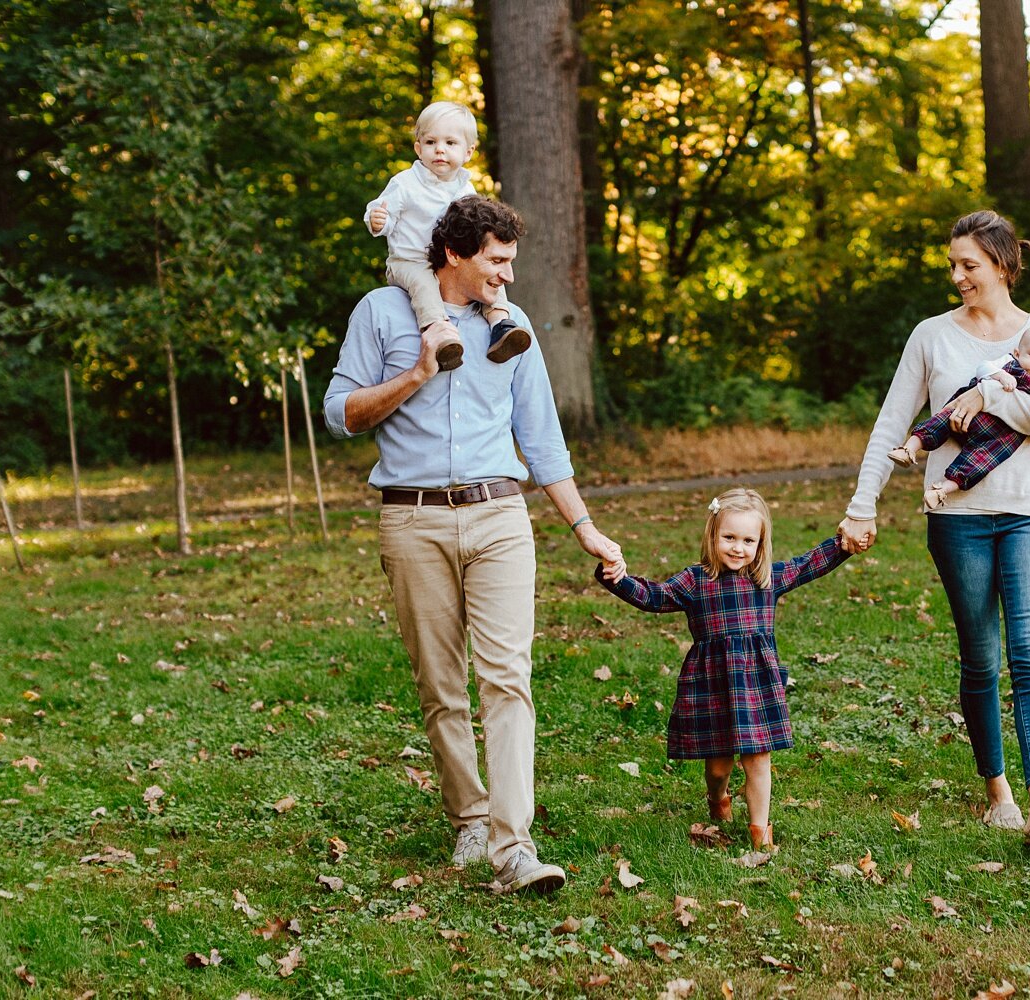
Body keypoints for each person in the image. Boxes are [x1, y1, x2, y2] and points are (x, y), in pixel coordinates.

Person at [324, 195, 625, 893]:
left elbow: (543, 440)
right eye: (498, 261)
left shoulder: (511, 327)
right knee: (440, 685)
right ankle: (470, 817)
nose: (509, 277)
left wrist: (585, 527)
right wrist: (418, 373)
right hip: (413, 520)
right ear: (455, 254)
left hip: (499, 519)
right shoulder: (381, 312)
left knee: (508, 681)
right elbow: (339, 413)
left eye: (511, 262)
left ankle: (512, 845)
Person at [838, 209, 1030, 851]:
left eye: (968, 264)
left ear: (1001, 265)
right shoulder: (931, 337)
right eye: (953, 264)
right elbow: (893, 427)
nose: (957, 276)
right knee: (980, 656)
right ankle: (997, 790)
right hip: (957, 519)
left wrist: (983, 398)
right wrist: (864, 505)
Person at [594, 488, 850, 852]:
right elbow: (654, 596)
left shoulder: (767, 579)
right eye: (729, 537)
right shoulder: (695, 581)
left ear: (760, 544)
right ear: (712, 535)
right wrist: (615, 578)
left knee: (758, 759)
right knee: (718, 767)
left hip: (756, 684)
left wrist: (843, 543)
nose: (737, 548)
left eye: (748, 540)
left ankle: (760, 833)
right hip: (713, 684)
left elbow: (809, 563)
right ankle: (719, 798)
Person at [364, 100, 530, 372]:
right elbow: (382, 210)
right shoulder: (405, 183)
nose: (439, 149)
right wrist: (377, 220)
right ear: (419, 149)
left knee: (491, 277)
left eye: (450, 143)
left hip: (449, 262)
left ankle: (501, 325)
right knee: (424, 286)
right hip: (411, 262)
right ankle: (441, 339)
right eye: (430, 142)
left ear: (468, 152)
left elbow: (480, 235)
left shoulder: (466, 189)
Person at [888, 325, 1030, 511]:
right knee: (943, 419)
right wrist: (999, 375)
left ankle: (941, 490)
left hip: (1000, 437)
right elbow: (983, 368)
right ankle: (909, 448)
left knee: (979, 463)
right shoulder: (1008, 362)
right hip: (972, 414)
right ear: (1017, 353)